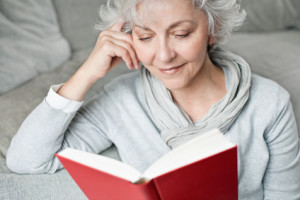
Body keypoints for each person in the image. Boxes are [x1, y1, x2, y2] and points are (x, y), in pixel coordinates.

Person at [6, 0, 300, 199]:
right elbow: (26, 161)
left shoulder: (269, 103)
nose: (163, 56)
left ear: (213, 30)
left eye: (181, 34)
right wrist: (86, 74)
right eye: (145, 37)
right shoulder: (121, 101)